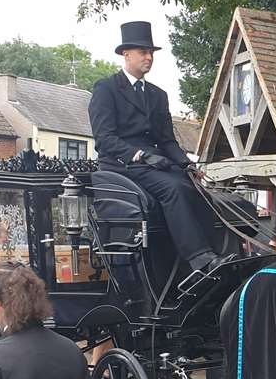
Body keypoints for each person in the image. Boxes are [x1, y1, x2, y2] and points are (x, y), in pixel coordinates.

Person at [87, 21, 225, 289]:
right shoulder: (106, 89)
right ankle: (199, 259)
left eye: (151, 52)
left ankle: (214, 253)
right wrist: (140, 155)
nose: (149, 57)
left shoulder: (158, 95)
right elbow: (104, 139)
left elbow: (166, 140)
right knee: (173, 188)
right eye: (143, 52)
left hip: (154, 163)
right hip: (120, 165)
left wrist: (188, 164)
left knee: (195, 188)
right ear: (126, 54)